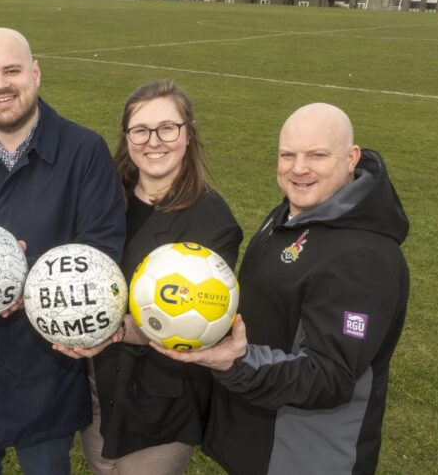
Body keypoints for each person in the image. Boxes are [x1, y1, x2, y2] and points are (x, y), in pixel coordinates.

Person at [159, 103, 410, 474]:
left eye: (317, 155)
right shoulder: (291, 216)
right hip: (257, 442)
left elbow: (329, 374)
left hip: (305, 457)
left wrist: (235, 362)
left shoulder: (363, 259)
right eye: (287, 154)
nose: (299, 168)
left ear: (351, 158)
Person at [0, 27, 126, 474]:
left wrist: (16, 275)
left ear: (35, 73)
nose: (0, 85)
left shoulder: (83, 150)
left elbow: (102, 248)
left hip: (47, 370)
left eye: (11, 70)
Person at [75, 81, 243, 474]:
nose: (154, 141)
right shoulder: (102, 197)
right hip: (98, 385)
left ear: (188, 133)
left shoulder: (212, 219)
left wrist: (108, 326)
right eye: (140, 130)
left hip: (162, 403)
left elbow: (188, 317)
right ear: (127, 137)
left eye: (167, 128)